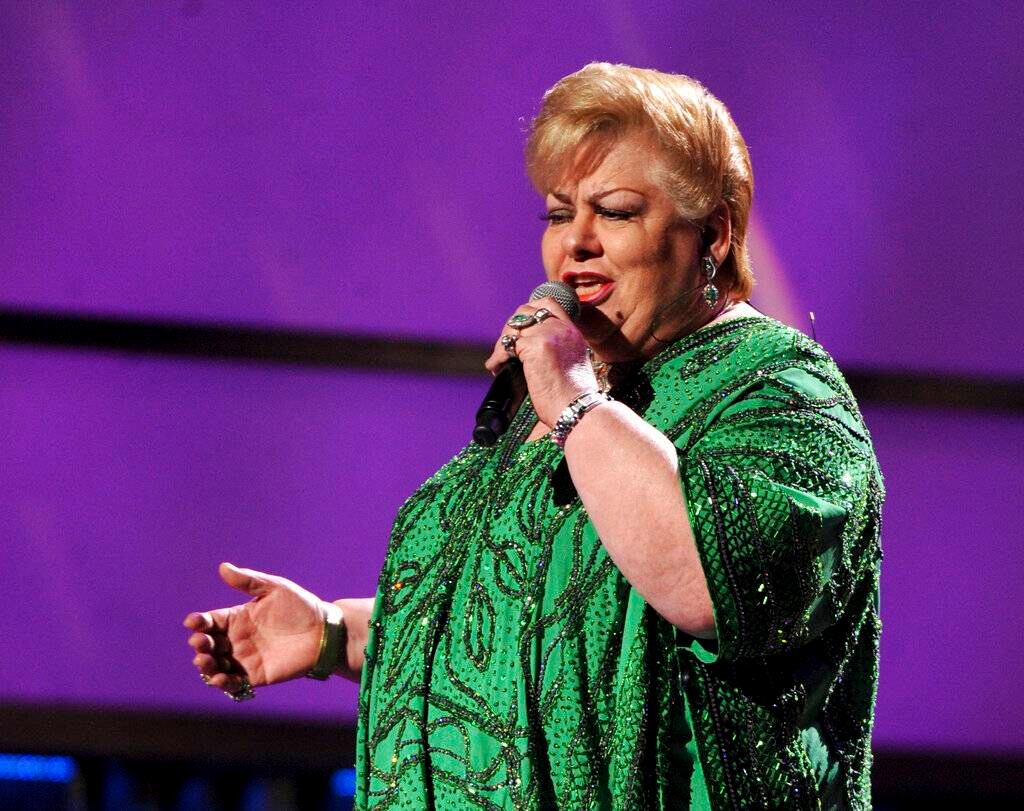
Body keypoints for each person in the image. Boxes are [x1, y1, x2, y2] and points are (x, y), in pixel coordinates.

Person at [185, 63, 883, 809]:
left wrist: (573, 399)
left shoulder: (781, 394)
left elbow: (707, 583)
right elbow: (530, 619)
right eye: (557, 214)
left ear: (710, 235)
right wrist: (337, 632)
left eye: (615, 212)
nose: (574, 242)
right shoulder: (574, 396)